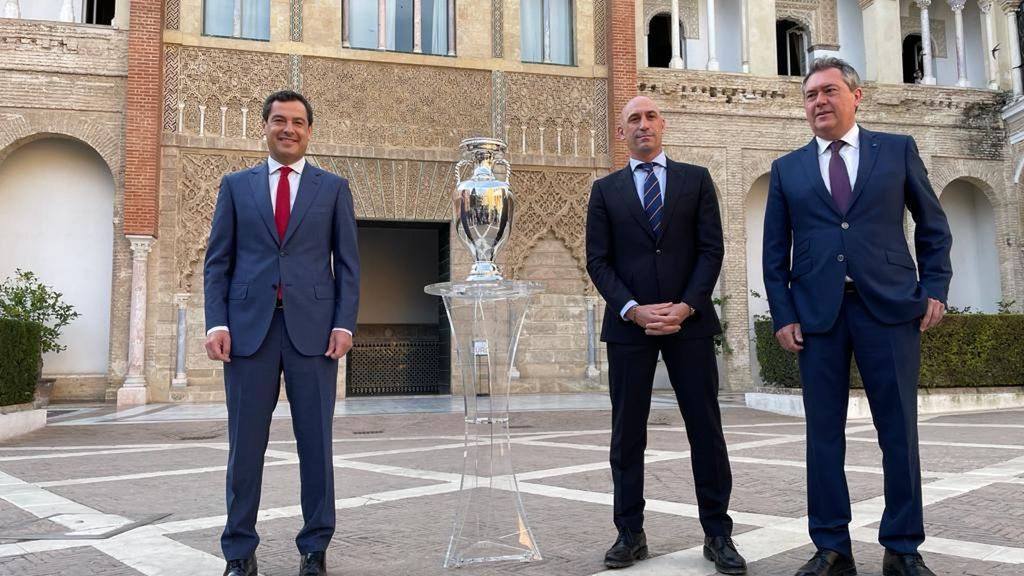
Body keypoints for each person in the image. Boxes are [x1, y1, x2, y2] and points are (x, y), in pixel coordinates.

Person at [762, 58, 952, 576]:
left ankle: (903, 547)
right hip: (818, 316)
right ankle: (831, 548)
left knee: (899, 431)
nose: (819, 102)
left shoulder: (896, 150)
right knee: (823, 434)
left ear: (856, 96)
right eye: (809, 96)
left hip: (888, 309)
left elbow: (933, 225)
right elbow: (774, 253)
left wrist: (934, 285)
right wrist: (783, 314)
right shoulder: (788, 168)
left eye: (828, 91)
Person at [586, 95, 746, 575]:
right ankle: (629, 533)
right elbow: (598, 260)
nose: (643, 125)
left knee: (706, 431)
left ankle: (718, 535)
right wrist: (633, 310)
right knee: (627, 434)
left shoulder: (696, 180)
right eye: (633, 119)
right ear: (622, 133)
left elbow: (710, 249)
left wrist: (687, 305)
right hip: (630, 327)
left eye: (651, 116)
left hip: (688, 323)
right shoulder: (605, 190)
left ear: (664, 125)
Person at [204, 90, 359, 576]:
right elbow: (218, 261)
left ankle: (315, 548)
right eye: (278, 120)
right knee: (244, 448)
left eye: (297, 121)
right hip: (248, 334)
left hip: (314, 335)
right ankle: (238, 552)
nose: (288, 128)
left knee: (316, 445)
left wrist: (343, 323)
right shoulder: (236, 186)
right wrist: (217, 321)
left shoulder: (332, 188)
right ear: (265, 127)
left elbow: (348, 264)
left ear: (310, 130)